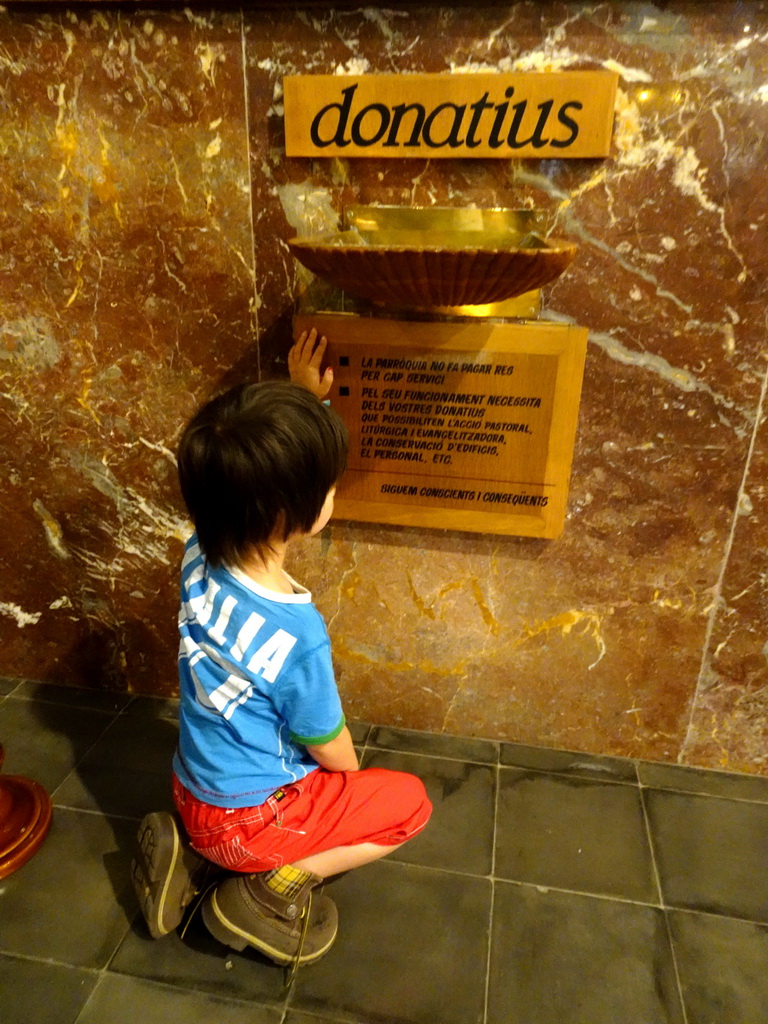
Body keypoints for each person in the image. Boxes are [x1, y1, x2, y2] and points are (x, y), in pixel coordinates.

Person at [131, 328, 432, 970]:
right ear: (285, 512)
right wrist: (348, 786)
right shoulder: (298, 634)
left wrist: (303, 401)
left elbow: (246, 480)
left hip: (192, 790)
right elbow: (331, 745)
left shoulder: (197, 550)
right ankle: (263, 893)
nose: (332, 493)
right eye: (326, 486)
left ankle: (193, 859)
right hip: (249, 822)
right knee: (407, 804)